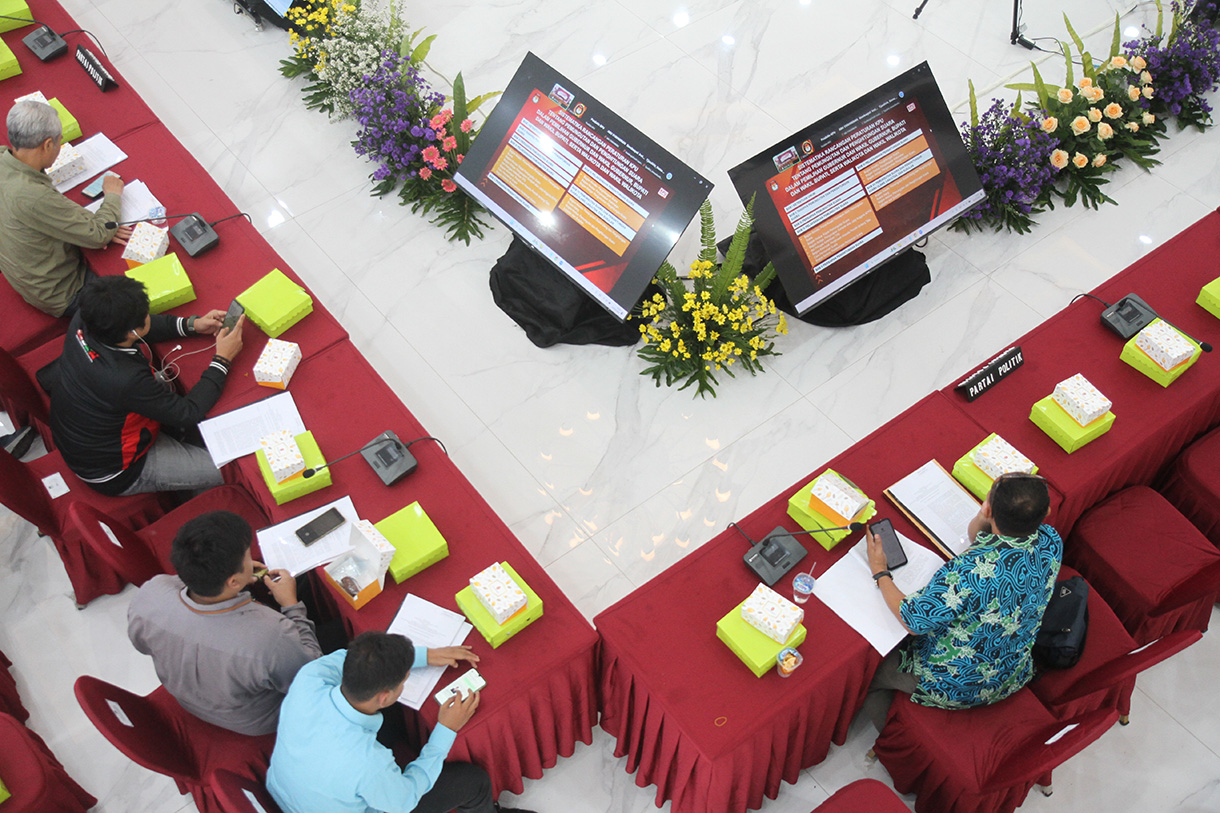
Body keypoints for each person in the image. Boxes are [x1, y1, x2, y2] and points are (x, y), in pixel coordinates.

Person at [863, 473, 1062, 724]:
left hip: (959, 684)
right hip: (1013, 669)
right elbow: (977, 537)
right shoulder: (1051, 540)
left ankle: (890, 733)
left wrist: (880, 571)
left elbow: (913, 620)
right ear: (1047, 512)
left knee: (870, 673)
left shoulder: (969, 570)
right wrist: (985, 516)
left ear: (988, 507)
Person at [268, 631, 535, 813]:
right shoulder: (367, 763)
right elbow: (404, 800)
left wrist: (425, 656)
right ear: (384, 695)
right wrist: (445, 730)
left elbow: (342, 658)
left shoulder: (310, 678)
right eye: (405, 679)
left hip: (289, 789)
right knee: (474, 781)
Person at [127, 510, 320, 736]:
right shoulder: (270, 634)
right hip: (256, 718)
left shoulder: (152, 591)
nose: (251, 560)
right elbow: (311, 676)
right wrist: (291, 604)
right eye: (248, 558)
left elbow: (141, 644)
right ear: (234, 581)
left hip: (188, 697)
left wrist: (236, 582)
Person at [49, 275, 244, 495]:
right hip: (115, 468)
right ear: (132, 332)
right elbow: (188, 412)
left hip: (86, 431)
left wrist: (192, 324)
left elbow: (139, 327)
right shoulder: (124, 380)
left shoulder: (87, 317)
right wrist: (223, 359)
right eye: (144, 316)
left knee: (162, 385)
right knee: (229, 469)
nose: (148, 317)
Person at [0, 100, 133, 317]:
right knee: (132, 304)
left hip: (24, 271)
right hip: (61, 291)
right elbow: (99, 234)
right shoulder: (32, 195)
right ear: (47, 144)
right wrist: (112, 197)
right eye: (60, 141)